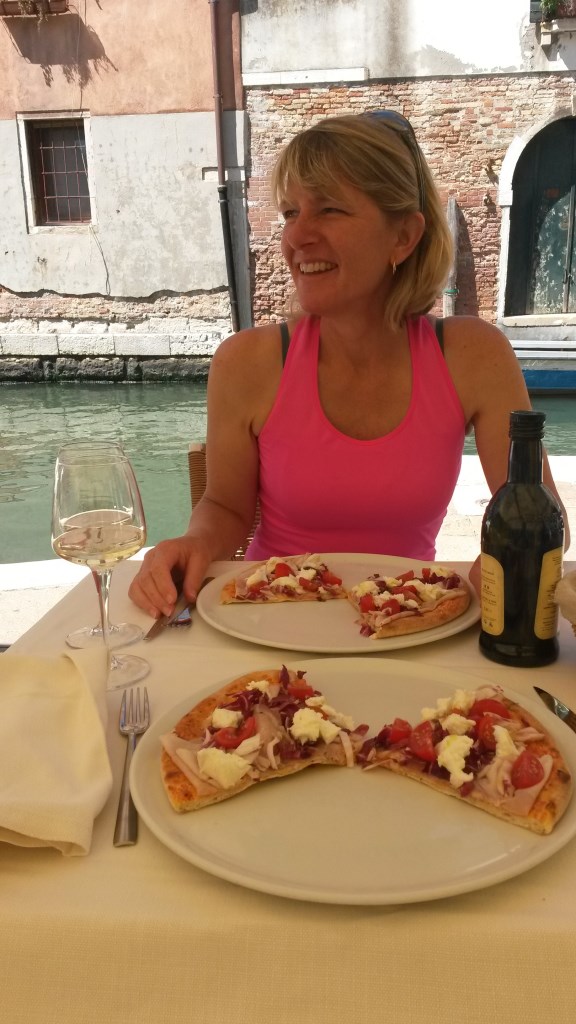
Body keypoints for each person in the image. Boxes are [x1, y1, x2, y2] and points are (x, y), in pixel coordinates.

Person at [129, 111, 570, 618]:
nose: (297, 237)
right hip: (269, 619)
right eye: (290, 212)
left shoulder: (473, 356)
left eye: (330, 209)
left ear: (403, 236)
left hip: (408, 621)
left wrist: (507, 559)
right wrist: (194, 543)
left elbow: (542, 514)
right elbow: (226, 507)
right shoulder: (246, 361)